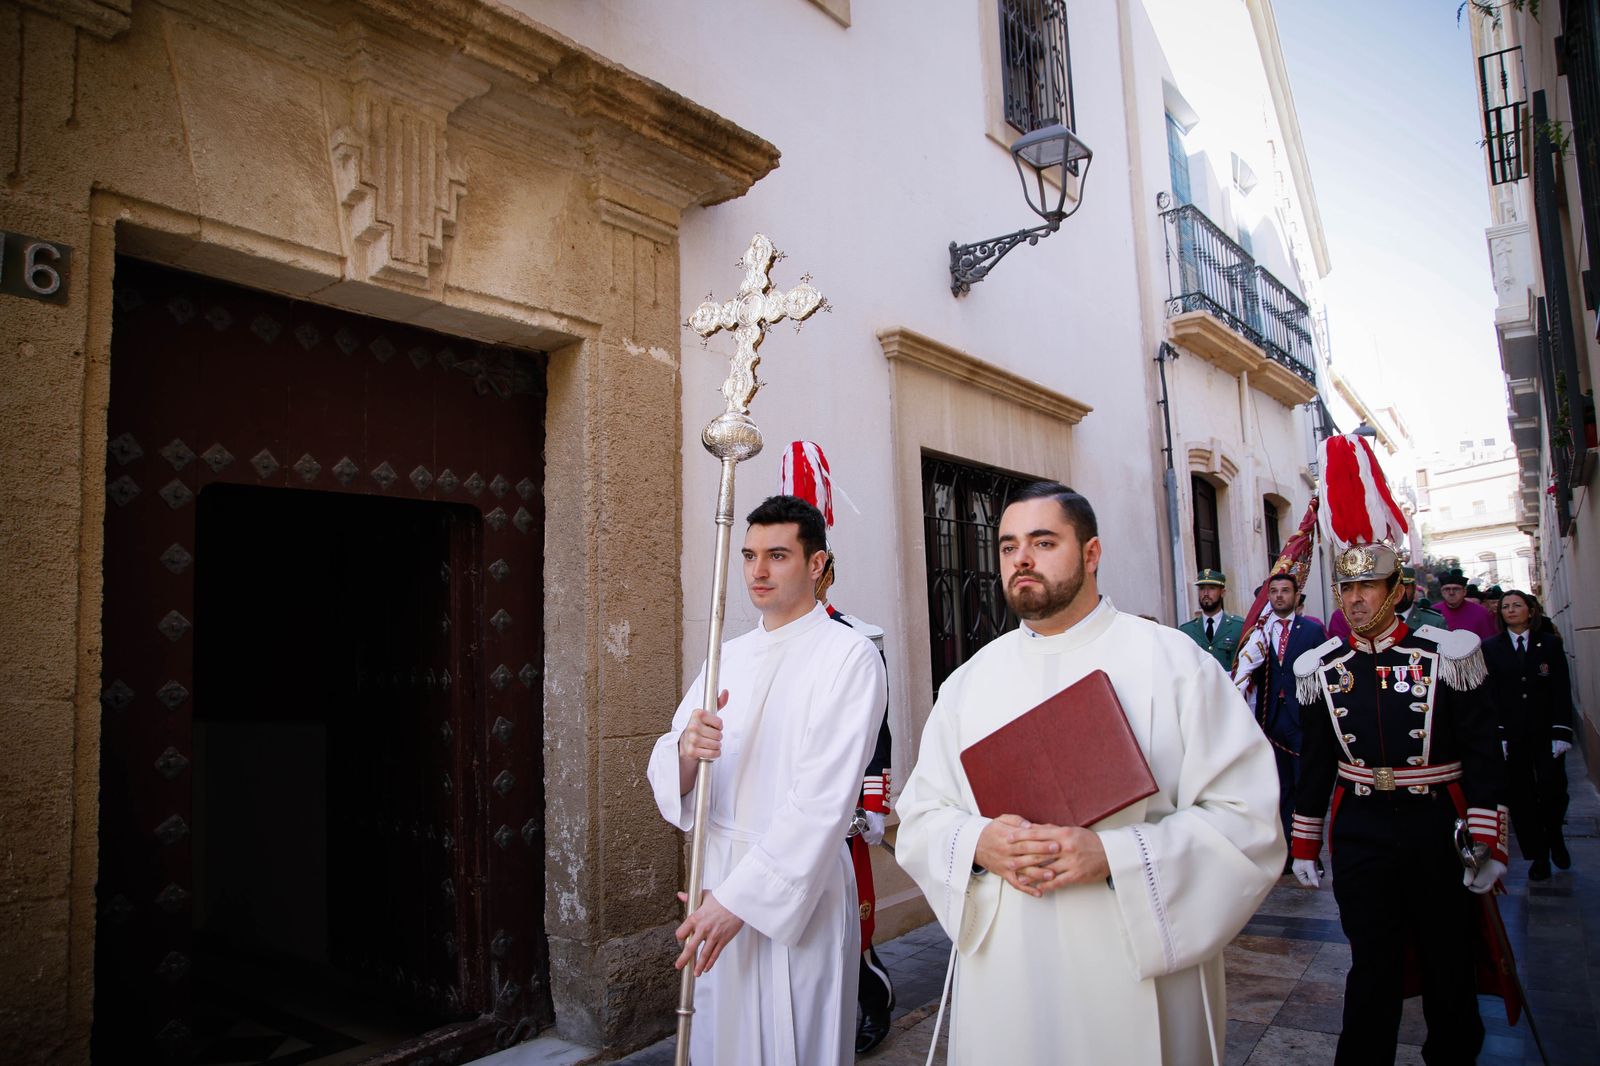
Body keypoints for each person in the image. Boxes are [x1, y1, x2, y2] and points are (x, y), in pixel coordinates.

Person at [896, 482, 1283, 1064]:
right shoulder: (969, 683)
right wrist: (978, 842)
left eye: (1043, 542)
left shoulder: (1174, 664)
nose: (1021, 559)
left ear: (1092, 553)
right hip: (1009, 971)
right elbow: (922, 816)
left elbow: (1246, 819)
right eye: (1008, 547)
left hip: (1133, 961)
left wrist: (1113, 856)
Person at [647, 495, 888, 1066]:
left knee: (795, 1041)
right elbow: (674, 767)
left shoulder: (850, 656)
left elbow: (824, 800)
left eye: (777, 555)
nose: (758, 570)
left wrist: (741, 900)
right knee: (720, 1042)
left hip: (797, 888)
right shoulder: (726, 655)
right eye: (749, 555)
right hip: (718, 880)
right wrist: (687, 750)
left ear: (816, 564)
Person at [1290, 435, 1507, 1066]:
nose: (1355, 599)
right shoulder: (1324, 668)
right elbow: (1317, 764)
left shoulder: (1447, 656)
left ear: (1396, 588)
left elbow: (1483, 753)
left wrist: (1488, 837)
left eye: (1369, 586)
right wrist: (1305, 841)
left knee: (1447, 963)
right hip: (1361, 830)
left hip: (1436, 825)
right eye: (1347, 588)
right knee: (1372, 965)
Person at [775, 438, 898, 1055]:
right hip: (781, 805)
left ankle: (870, 996)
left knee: (852, 917)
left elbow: (876, 731)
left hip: (839, 807)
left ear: (824, 570)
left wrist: (871, 804)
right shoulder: (762, 644)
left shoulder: (857, 639)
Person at [1233, 573, 1327, 869]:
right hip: (1272, 719)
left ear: (1296, 596)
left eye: (1285, 591)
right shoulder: (1258, 634)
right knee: (1280, 787)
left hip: (1302, 718)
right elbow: (1248, 673)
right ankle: (1285, 850)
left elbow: (1325, 673)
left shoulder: (1311, 631)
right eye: (1273, 591)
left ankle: (1308, 850)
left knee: (1306, 784)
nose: (1279, 596)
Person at [1483, 590, 1576, 880]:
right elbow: (1490, 693)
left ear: (1531, 610)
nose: (1511, 610)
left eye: (1517, 605)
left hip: (1546, 731)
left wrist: (1562, 730)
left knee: (1553, 789)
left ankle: (1554, 835)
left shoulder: (1549, 644)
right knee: (1521, 795)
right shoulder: (1491, 647)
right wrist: (1498, 732)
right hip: (1512, 734)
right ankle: (1538, 854)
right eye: (1506, 607)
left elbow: (1561, 688)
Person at [1177, 568, 1244, 670]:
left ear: (1222, 592)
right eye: (1202, 588)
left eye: (1212, 588)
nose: (1206, 593)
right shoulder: (1186, 630)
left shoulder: (1238, 627)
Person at [1436, 567, 1497, 640]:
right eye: (1447, 589)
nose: (1451, 593)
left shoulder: (1481, 613)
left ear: (1464, 591)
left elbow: (1490, 641)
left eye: (1456, 589)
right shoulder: (1434, 612)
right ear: (1442, 592)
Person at [1398, 566, 1445, 631]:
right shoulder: (1382, 620)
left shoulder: (1434, 623)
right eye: (1394, 587)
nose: (1400, 592)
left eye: (1405, 587)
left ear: (1414, 588)